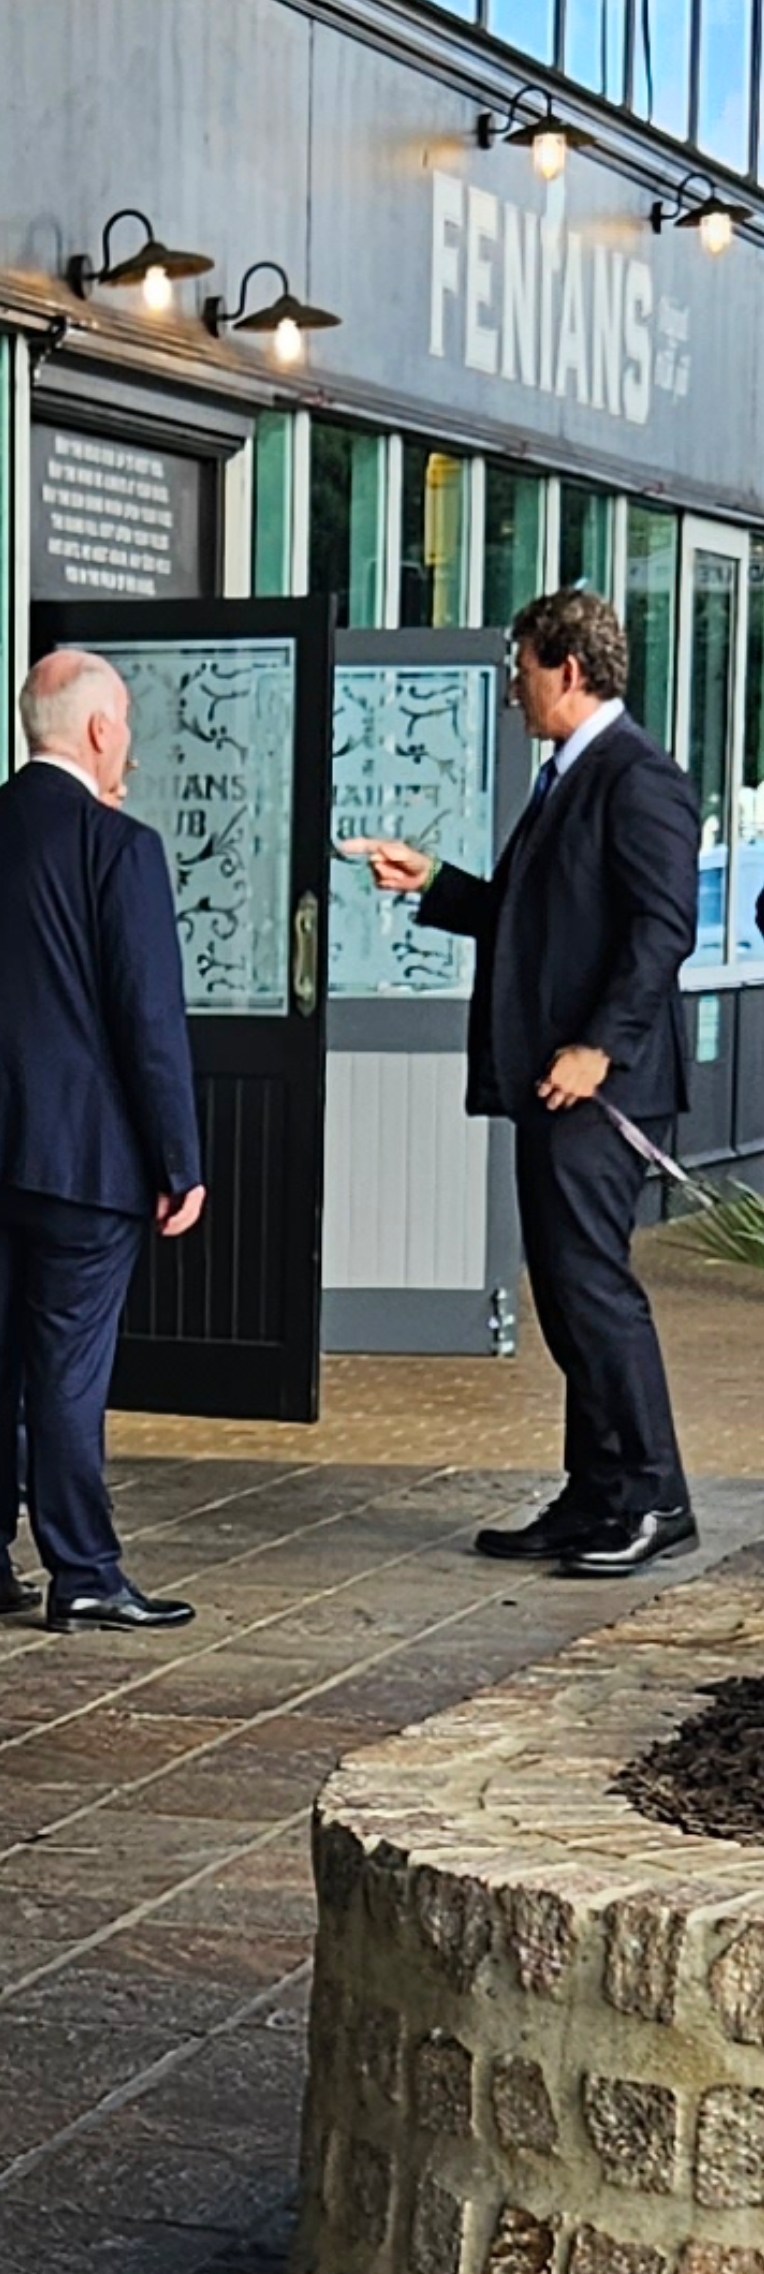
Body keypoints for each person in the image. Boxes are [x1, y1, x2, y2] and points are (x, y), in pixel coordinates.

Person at [348, 589, 700, 1578]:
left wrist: (600, 1048)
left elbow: (662, 929)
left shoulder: (637, 778)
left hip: (596, 1089)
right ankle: (597, 1494)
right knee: (565, 1292)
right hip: (555, 1081)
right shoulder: (568, 775)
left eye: (522, 668)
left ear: (568, 670)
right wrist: (434, 883)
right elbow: (536, 917)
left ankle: (655, 1496)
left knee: (594, 1292)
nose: (513, 690)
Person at [0, 649, 205, 1628]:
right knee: (66, 1368)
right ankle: (84, 1572)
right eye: (125, 724)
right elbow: (148, 1018)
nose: (128, 741)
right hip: (85, 1162)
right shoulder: (119, 848)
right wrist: (179, 1161)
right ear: (98, 730)